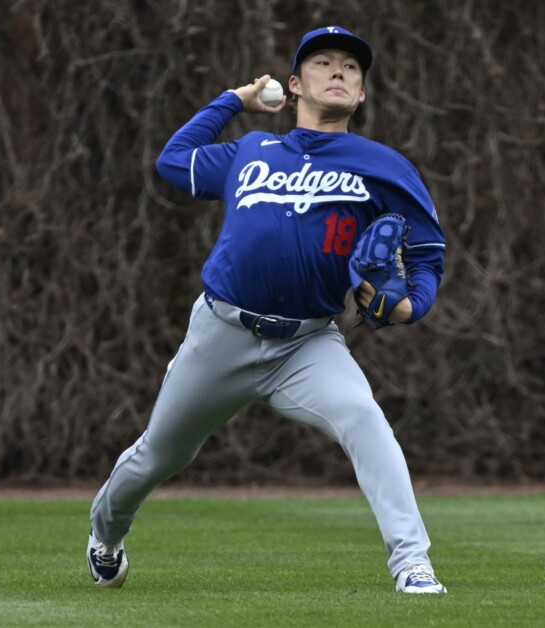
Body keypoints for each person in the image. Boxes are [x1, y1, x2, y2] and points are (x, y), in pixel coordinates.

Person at [87, 26, 447, 594]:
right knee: (160, 454)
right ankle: (105, 534)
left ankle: (412, 563)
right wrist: (234, 101)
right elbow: (172, 160)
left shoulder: (385, 166)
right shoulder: (253, 149)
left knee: (364, 418)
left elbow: (427, 255)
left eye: (351, 69)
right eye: (323, 63)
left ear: (362, 94)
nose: (338, 73)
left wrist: (407, 307)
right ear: (295, 84)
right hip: (221, 333)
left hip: (307, 343)